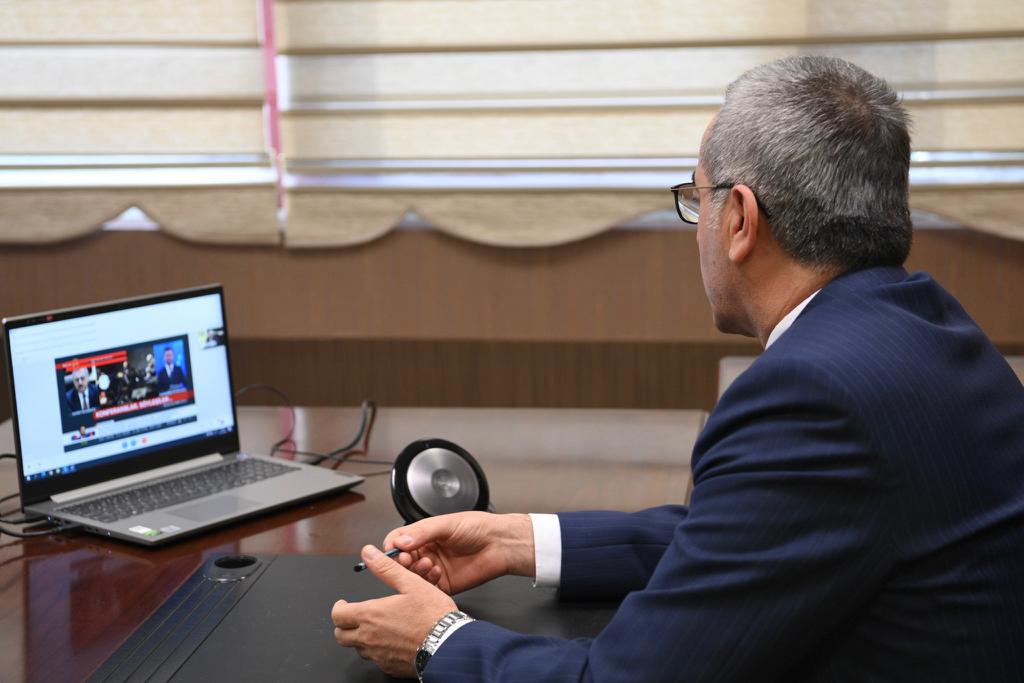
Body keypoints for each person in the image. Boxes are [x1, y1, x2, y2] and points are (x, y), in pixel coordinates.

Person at [331, 56, 1024, 681]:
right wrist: (518, 540)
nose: (698, 225)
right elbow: (757, 536)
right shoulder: (931, 327)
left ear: (740, 218)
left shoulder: (813, 396)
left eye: (698, 199)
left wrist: (437, 639)